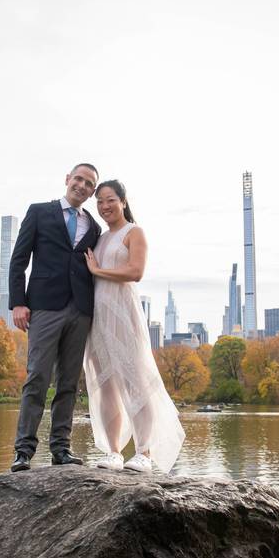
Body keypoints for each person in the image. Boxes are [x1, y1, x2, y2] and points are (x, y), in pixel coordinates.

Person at [83, 180, 186, 473]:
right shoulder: (100, 238)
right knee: (106, 385)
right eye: (100, 201)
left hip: (123, 312)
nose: (105, 206)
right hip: (99, 315)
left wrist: (98, 270)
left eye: (110, 200)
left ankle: (144, 452)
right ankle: (114, 451)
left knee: (135, 379)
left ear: (124, 201)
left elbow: (135, 272)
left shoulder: (134, 232)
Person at [8, 162, 102, 472]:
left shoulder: (94, 227)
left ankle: (61, 448)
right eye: (79, 179)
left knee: (68, 384)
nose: (82, 186)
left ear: (92, 192)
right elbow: (19, 260)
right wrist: (18, 303)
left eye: (89, 183)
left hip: (80, 310)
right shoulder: (38, 212)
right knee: (37, 377)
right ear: (67, 179)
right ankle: (23, 451)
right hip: (45, 307)